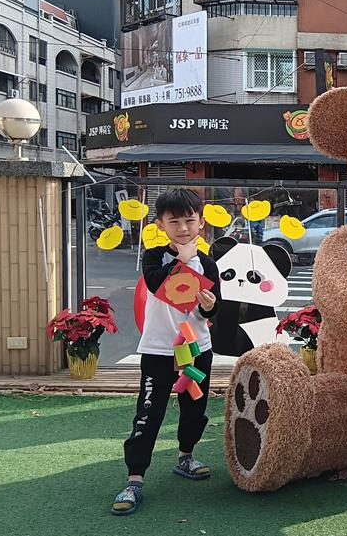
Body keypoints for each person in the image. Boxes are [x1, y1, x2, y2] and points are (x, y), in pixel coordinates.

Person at [111, 189, 221, 516]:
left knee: (195, 408)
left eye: (189, 220)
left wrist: (209, 307)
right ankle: (135, 479)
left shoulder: (209, 264)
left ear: (201, 222)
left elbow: (213, 311)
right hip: (158, 351)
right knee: (149, 413)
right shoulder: (153, 257)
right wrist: (182, 260)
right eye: (174, 222)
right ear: (160, 224)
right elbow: (157, 285)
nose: (183, 228)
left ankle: (186, 456)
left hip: (197, 349)